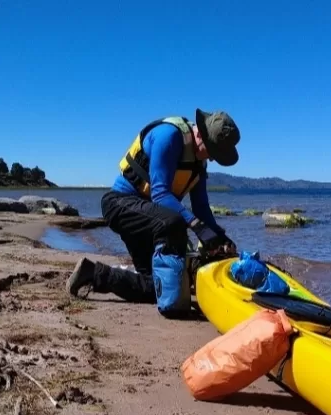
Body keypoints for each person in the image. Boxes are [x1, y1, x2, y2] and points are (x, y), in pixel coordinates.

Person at [66, 109, 240, 315]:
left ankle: (93, 274)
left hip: (153, 219)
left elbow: (201, 207)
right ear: (200, 134)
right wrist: (196, 226)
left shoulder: (199, 161)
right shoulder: (169, 137)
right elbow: (160, 194)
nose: (211, 158)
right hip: (120, 205)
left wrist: (220, 237)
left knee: (156, 288)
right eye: (211, 150)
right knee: (174, 222)